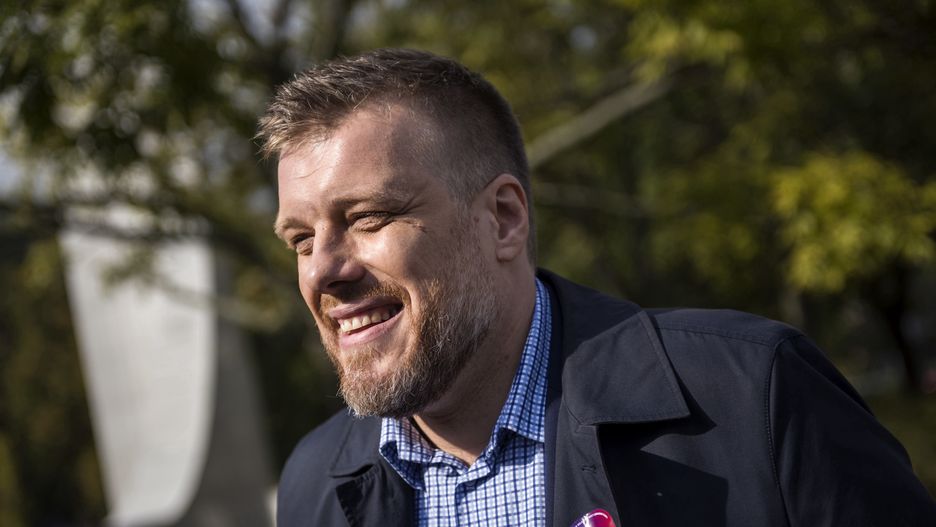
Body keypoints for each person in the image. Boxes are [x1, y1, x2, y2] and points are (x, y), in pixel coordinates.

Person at [257, 48, 936, 527]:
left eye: (368, 217)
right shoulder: (315, 483)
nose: (322, 271)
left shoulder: (753, 397)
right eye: (301, 240)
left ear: (503, 219)